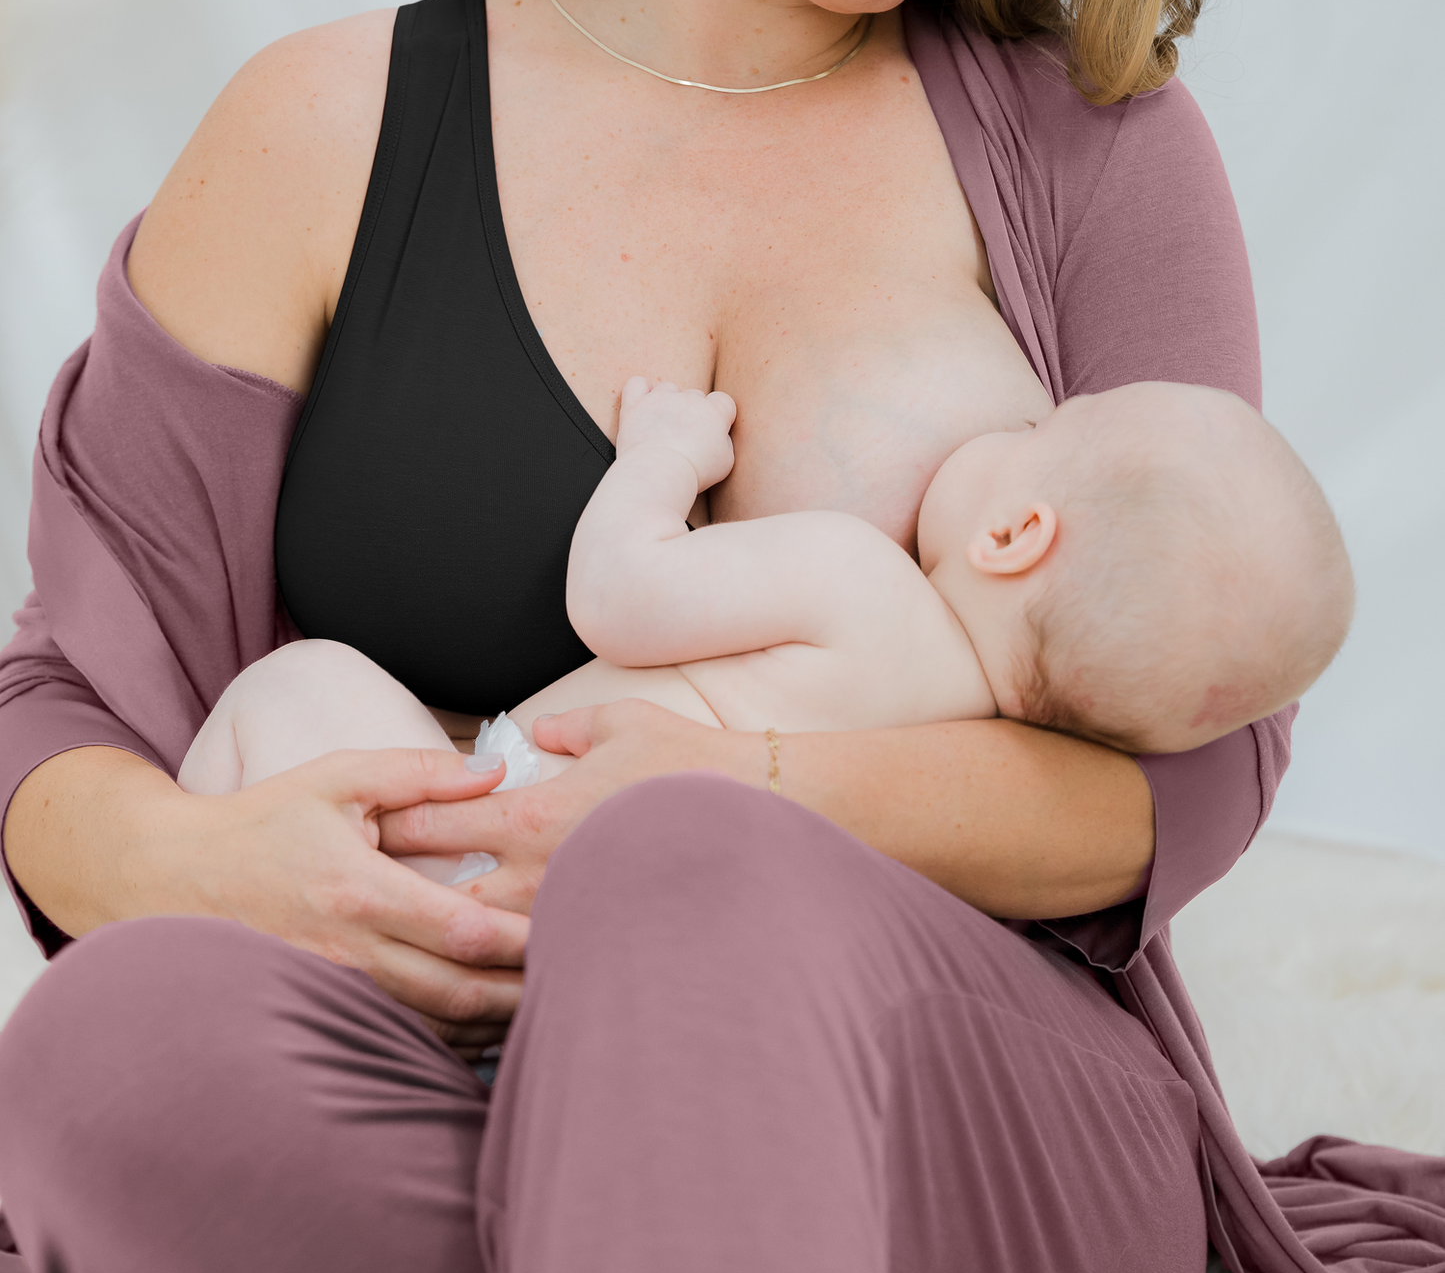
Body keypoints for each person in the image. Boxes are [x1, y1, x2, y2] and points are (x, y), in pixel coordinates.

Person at [1, 0, 1442, 1273]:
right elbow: (69, 700)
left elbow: (1200, 759)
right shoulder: (322, 134)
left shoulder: (1095, 149)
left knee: (691, 878)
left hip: (959, 1095)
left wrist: (730, 800)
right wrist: (189, 865)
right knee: (102, 1047)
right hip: (437, 1065)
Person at [178, 375, 1355, 890]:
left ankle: (178, 919)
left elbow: (616, 596)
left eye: (1053, 420)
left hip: (481, 844)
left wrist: (664, 458)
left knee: (300, 685)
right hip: (580, 961)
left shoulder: (859, 581)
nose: (1030, 412)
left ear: (1014, 533)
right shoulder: (955, 758)